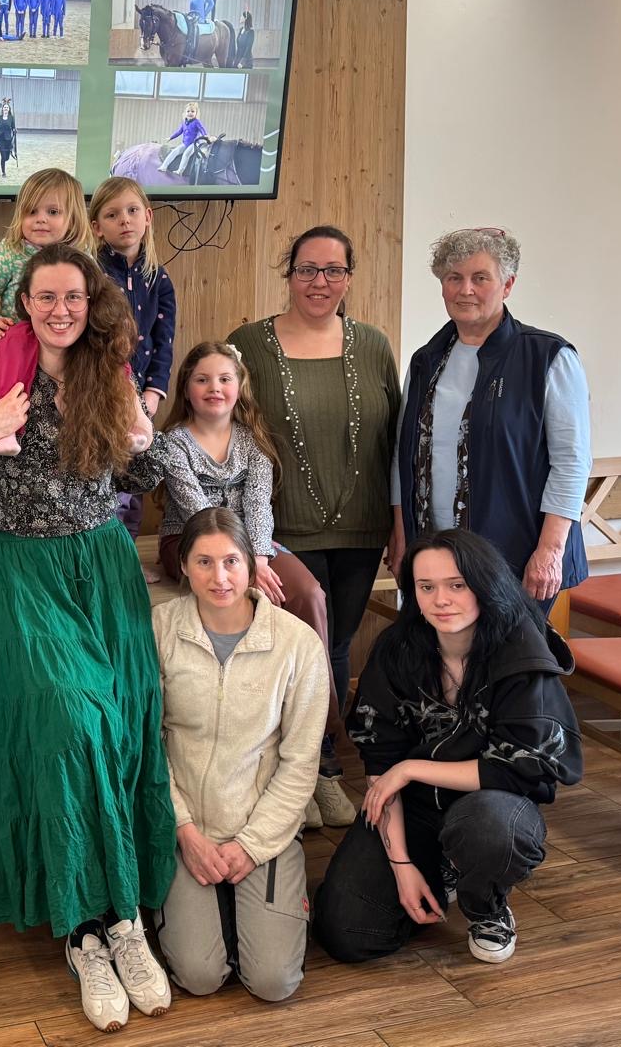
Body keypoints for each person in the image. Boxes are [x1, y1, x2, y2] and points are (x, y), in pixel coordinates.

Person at [0, 243, 174, 1035]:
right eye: (46, 297)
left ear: (90, 302)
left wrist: (144, 436)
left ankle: (124, 919)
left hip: (102, 567)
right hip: (19, 570)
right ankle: (82, 930)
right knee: (71, 723)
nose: (60, 309)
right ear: (24, 303)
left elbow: (141, 479)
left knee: (123, 724)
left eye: (73, 296)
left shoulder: (111, 374)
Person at [313, 529, 581, 965]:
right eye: (426, 587)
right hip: (414, 806)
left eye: (457, 585)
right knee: (348, 931)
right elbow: (381, 763)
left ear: (484, 584)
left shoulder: (519, 650)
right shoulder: (397, 650)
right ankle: (441, 870)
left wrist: (410, 769)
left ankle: (486, 904)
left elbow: (516, 766)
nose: (441, 600)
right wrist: (401, 866)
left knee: (488, 829)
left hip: (493, 802)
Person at [229, 226, 401, 831]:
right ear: (289, 273)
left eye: (333, 271)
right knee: (290, 652)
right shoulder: (248, 345)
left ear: (349, 277)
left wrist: (398, 527)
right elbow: (227, 431)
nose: (319, 282)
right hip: (278, 533)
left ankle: (323, 767)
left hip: (361, 529)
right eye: (307, 269)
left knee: (335, 647)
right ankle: (291, 776)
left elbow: (394, 444)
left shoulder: (373, 345)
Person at [154, 509, 327, 1000]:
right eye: (203, 562)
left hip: (262, 829)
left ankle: (248, 904)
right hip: (186, 828)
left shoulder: (297, 644)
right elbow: (148, 745)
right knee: (199, 975)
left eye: (231, 561)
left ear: (252, 564)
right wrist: (183, 830)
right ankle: (206, 908)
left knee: (274, 982)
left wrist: (252, 845)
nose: (220, 577)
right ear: (183, 566)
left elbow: (300, 763)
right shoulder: (158, 630)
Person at [390, 227, 591, 614]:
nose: (465, 290)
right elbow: (404, 454)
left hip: (516, 555)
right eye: (454, 278)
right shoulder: (426, 360)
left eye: (480, 278)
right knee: (437, 652)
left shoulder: (547, 357)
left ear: (507, 285)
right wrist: (401, 535)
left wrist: (550, 551)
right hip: (433, 553)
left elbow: (571, 462)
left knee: (506, 652)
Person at [154, 342, 330, 647]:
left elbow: (258, 505)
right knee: (245, 595)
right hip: (189, 538)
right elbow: (199, 514)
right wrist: (243, 565)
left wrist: (258, 560)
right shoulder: (174, 443)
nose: (214, 387)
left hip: (251, 540)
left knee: (308, 593)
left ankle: (315, 678)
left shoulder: (253, 440)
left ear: (239, 387)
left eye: (225, 379)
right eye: (202, 379)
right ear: (186, 389)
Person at [0, 168, 102, 458]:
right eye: (31, 211)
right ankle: (7, 430)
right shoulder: (11, 252)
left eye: (53, 212)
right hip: (20, 337)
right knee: (14, 349)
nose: (40, 219)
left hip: (73, 346)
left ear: (73, 218)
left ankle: (129, 420)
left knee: (111, 346)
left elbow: (100, 301)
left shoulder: (82, 257)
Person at [90, 176, 175, 544]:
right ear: (97, 227)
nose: (124, 220)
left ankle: (126, 550)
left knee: (132, 474)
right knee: (101, 472)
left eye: (132, 210)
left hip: (141, 396)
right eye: (112, 215)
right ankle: (99, 545)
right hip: (100, 389)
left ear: (148, 217)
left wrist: (154, 392)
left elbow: (164, 339)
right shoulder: (92, 275)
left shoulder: (159, 278)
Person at [161, 103, 208, 179]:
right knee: (174, 151)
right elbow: (178, 132)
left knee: (186, 154)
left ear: (196, 113)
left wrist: (205, 135)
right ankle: (164, 166)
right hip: (185, 143)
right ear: (185, 113)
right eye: (188, 111)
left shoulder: (197, 122)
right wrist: (171, 137)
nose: (190, 113)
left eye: (192, 111)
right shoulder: (184, 123)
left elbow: (202, 128)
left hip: (194, 144)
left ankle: (180, 170)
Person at [0, 97, 19, 177]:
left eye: (7, 107)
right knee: (3, 157)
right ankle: (3, 172)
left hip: (8, 139)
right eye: (4, 107)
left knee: (7, 158)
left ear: (9, 109)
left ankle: (5, 161)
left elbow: (13, 127)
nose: (5, 108)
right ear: (2, 109)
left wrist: (15, 130)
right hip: (1, 139)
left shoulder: (11, 118)